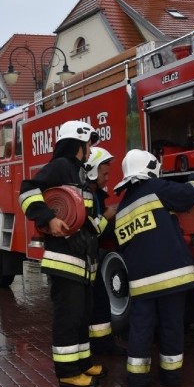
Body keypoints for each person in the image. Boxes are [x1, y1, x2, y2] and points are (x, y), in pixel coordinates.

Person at [18, 120, 107, 387]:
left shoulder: (78, 172)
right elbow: (27, 190)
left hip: (82, 261)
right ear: (79, 143)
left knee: (81, 316)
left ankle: (82, 363)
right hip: (65, 261)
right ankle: (68, 372)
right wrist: (49, 218)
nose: (91, 150)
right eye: (89, 144)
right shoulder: (61, 166)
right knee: (68, 317)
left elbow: (83, 216)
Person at [112, 149, 194, 387]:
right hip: (172, 277)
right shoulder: (156, 188)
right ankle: (171, 376)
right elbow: (193, 195)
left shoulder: (122, 210)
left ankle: (137, 379)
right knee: (171, 325)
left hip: (141, 283)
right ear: (150, 168)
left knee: (141, 327)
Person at [84, 147, 125, 357]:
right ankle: (97, 347)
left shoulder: (96, 194)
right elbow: (89, 231)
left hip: (91, 261)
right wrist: (108, 217)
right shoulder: (85, 195)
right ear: (91, 171)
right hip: (82, 262)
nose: (108, 178)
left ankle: (104, 345)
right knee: (93, 304)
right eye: (105, 174)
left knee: (100, 303)